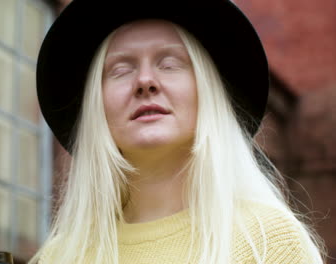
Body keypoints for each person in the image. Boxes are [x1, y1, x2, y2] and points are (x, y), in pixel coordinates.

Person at [31, 0, 326, 263]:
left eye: (170, 64)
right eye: (121, 69)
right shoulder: (61, 256)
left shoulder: (268, 244)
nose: (145, 81)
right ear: (97, 107)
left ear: (206, 94)